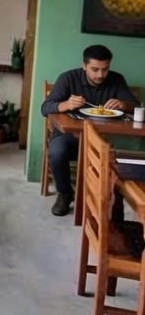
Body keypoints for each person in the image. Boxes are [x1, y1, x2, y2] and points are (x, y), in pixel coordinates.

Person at [41, 44, 138, 217]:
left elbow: (135, 105)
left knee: (120, 155)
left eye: (105, 69)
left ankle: (112, 200)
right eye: (95, 69)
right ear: (84, 65)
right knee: (57, 152)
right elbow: (45, 108)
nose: (101, 75)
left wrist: (124, 104)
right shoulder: (68, 78)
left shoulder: (116, 79)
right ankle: (65, 193)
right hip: (68, 135)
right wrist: (65, 105)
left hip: (104, 136)